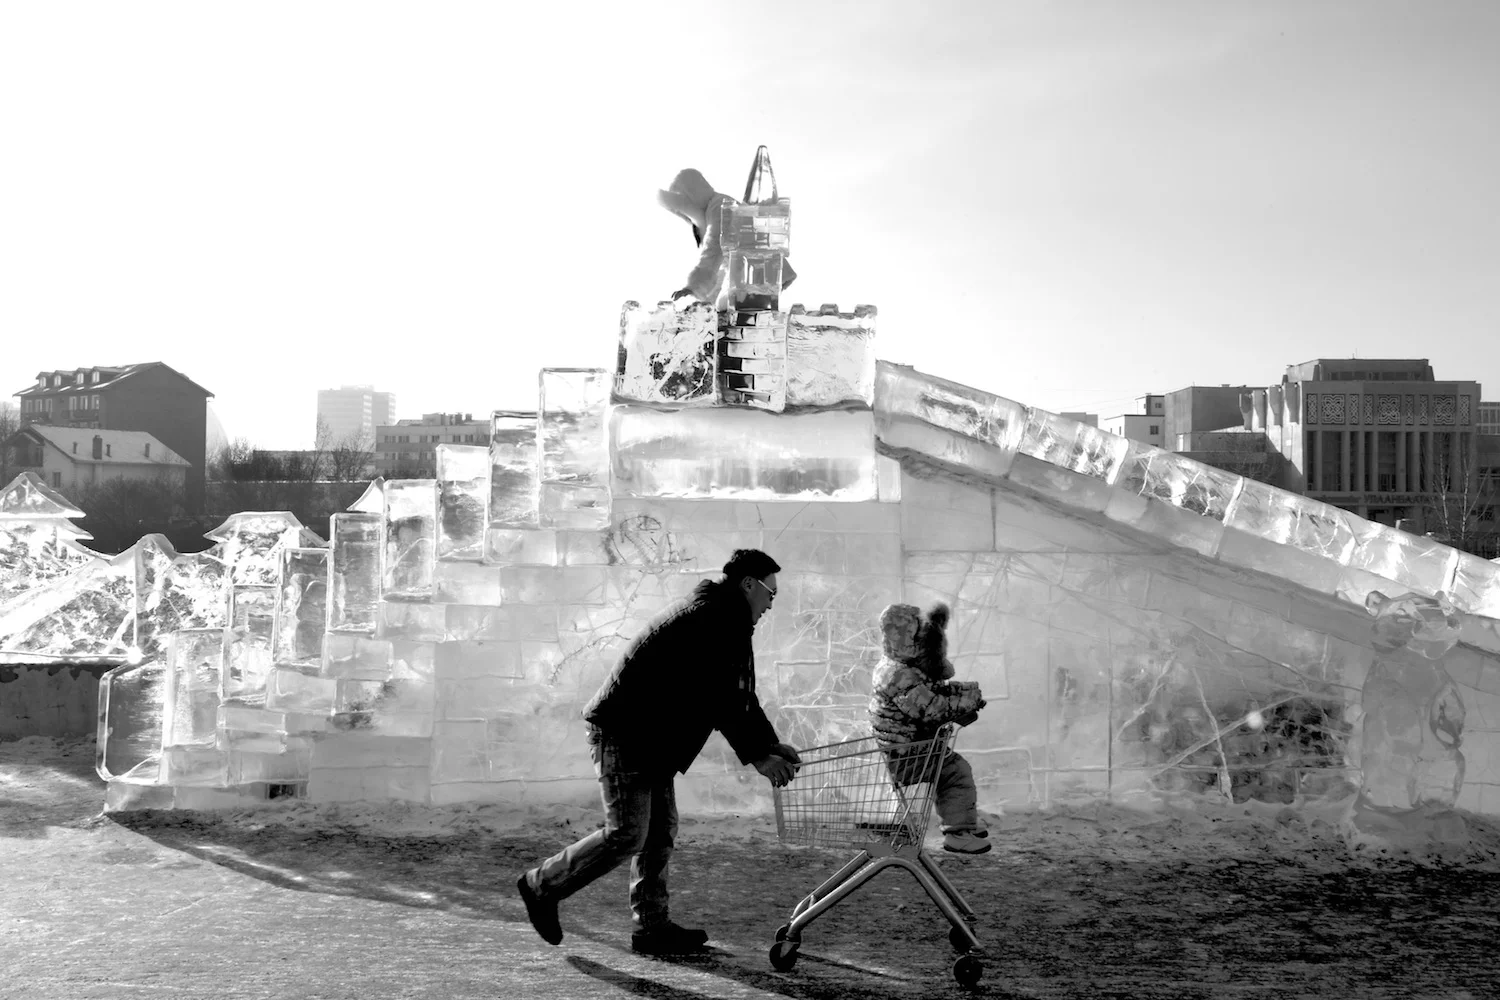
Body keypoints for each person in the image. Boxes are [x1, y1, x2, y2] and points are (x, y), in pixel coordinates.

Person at [516, 548, 802, 955]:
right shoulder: (712, 618)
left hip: (650, 736)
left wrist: (767, 743)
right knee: (627, 833)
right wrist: (758, 756)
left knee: (658, 832)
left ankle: (651, 928)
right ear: (748, 585)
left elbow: (738, 693)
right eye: (770, 594)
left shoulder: (725, 616)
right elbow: (717, 697)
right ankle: (541, 884)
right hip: (625, 732)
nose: (771, 605)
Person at [868, 602, 990, 854]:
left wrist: (964, 692)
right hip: (907, 755)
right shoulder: (898, 676)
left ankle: (963, 819)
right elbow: (931, 709)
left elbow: (931, 691)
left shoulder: (898, 668)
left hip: (906, 749)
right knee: (955, 772)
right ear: (910, 638)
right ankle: (958, 832)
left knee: (951, 768)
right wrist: (966, 702)